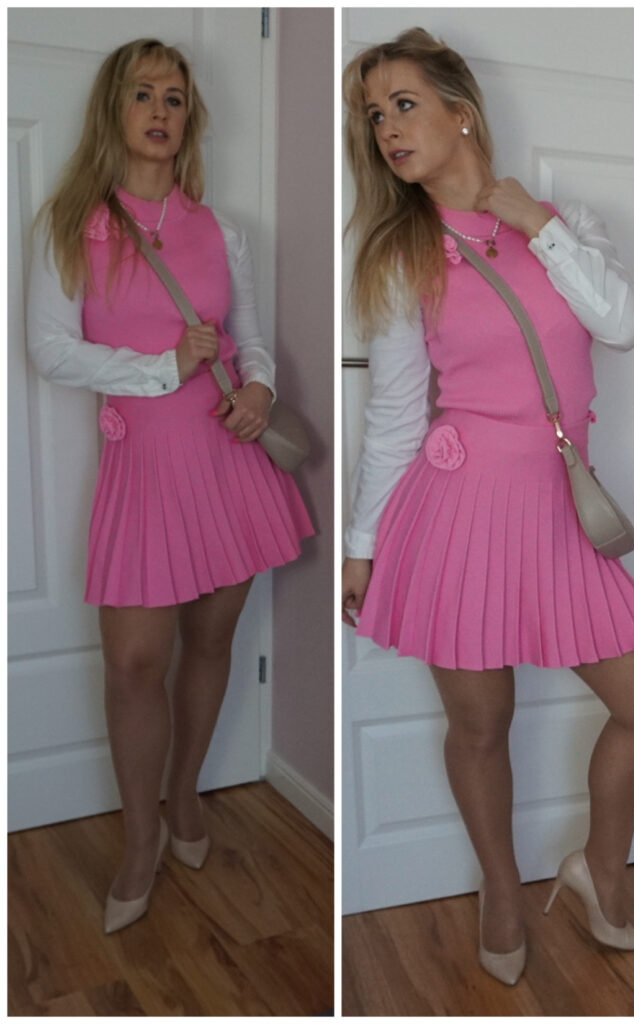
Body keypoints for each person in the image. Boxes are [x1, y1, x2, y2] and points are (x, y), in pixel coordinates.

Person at [342, 28, 634, 985]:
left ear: (461, 112)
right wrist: (362, 544)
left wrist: (536, 222)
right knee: (481, 723)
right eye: (375, 115)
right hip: (456, 510)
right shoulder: (400, 256)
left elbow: (625, 325)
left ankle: (598, 870)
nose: (388, 128)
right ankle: (499, 886)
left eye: (405, 104)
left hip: (560, 507)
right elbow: (396, 415)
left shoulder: (566, 224)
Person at [26, 39, 314, 934]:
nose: (160, 111)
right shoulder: (71, 225)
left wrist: (259, 388)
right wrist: (159, 368)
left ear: (191, 117)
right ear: (114, 110)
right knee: (133, 664)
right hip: (145, 470)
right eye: (143, 94)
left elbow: (250, 339)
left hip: (229, 462)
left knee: (210, 640)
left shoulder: (221, 232)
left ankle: (185, 791)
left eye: (175, 98)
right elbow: (49, 349)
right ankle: (140, 834)